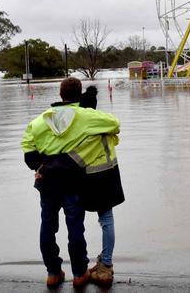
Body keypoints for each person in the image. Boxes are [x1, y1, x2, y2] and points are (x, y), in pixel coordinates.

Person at [21, 77, 120, 288]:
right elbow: (114, 124)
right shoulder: (87, 116)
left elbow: (28, 152)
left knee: (47, 226)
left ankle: (53, 272)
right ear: (79, 93)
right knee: (75, 228)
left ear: (60, 94)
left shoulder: (39, 121)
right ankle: (79, 274)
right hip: (73, 182)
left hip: (46, 184)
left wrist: (42, 168)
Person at [78, 85, 125, 286]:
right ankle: (106, 263)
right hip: (110, 174)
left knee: (76, 220)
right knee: (107, 220)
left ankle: (84, 266)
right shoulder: (105, 124)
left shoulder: (81, 125)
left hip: (90, 177)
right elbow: (115, 137)